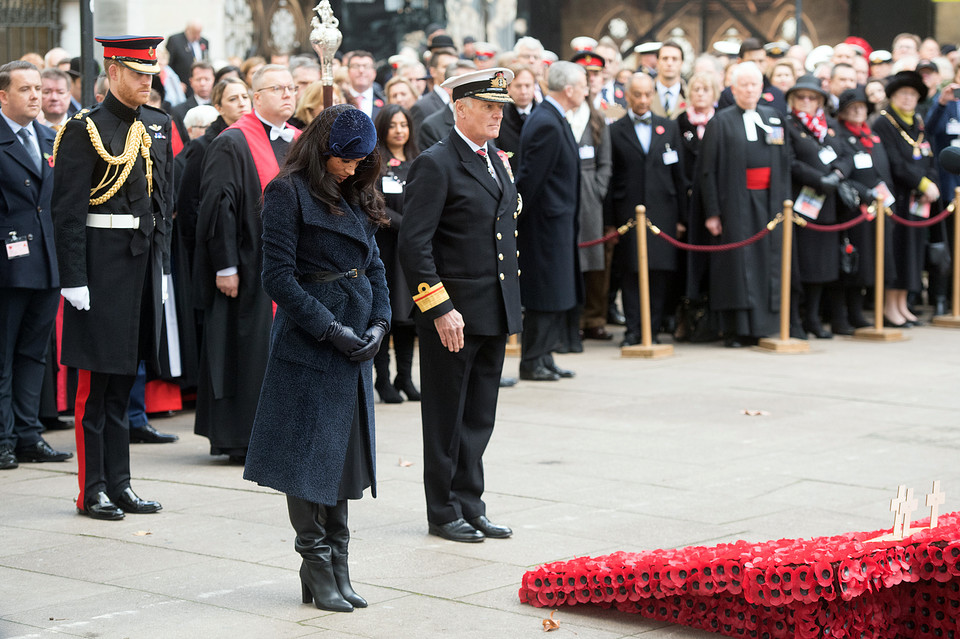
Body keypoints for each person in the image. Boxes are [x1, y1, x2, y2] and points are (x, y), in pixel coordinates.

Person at [244, 104, 387, 613]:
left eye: (360, 161)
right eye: (345, 160)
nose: (353, 168)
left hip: (354, 342)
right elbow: (278, 277)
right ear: (322, 151)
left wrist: (378, 324)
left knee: (344, 462)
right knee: (307, 460)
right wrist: (331, 330)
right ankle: (316, 563)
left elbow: (374, 266)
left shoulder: (355, 190)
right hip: (310, 342)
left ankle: (339, 567)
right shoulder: (286, 191)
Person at [398, 67, 521, 543]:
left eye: (500, 107)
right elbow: (415, 244)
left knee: (479, 417)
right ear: (460, 108)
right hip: (453, 313)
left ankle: (472, 503)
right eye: (487, 106)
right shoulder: (437, 162)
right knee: (446, 417)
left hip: (492, 307)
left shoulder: (497, 159)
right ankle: (443, 509)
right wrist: (439, 307)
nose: (496, 114)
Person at [52, 36, 173, 519]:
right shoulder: (84, 129)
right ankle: (92, 488)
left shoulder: (157, 125)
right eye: (138, 73)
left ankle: (121, 483)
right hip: (100, 267)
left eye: (151, 74)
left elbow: (164, 206)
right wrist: (73, 278)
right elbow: (66, 213)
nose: (147, 81)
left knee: (125, 382)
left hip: (140, 263)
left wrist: (160, 269)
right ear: (113, 71)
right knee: (94, 389)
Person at [193, 65, 300, 463]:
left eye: (292, 88)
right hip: (248, 267)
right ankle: (240, 436)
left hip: (289, 268)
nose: (288, 95)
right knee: (247, 351)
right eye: (278, 89)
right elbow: (218, 206)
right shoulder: (233, 142)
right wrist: (225, 266)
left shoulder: (297, 139)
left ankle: (281, 431)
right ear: (257, 97)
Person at [0, 61, 73, 470]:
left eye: (38, 88)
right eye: (25, 89)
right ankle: (3, 438)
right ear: (3, 96)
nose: (35, 96)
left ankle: (28, 435)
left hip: (47, 263)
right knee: (4, 357)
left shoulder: (51, 139)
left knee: (34, 354)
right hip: (8, 265)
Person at [697, 62, 792, 347]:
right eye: (744, 85)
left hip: (769, 201)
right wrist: (713, 212)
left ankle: (764, 325)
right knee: (739, 263)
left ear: (762, 88)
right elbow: (707, 171)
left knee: (766, 262)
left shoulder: (773, 118)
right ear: (733, 89)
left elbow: (784, 162)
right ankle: (737, 329)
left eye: (755, 85)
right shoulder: (720, 121)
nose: (750, 90)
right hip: (736, 202)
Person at [606, 73, 688, 346]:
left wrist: (681, 218)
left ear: (653, 95)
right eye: (636, 95)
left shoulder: (669, 127)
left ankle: (651, 329)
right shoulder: (614, 131)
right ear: (627, 96)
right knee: (630, 273)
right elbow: (611, 177)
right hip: (628, 214)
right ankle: (633, 331)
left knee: (659, 273)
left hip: (663, 213)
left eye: (646, 94)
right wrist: (610, 222)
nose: (642, 100)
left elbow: (679, 175)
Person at [516, 61, 585, 380]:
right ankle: (532, 360)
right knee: (545, 293)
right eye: (583, 84)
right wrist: (519, 218)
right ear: (568, 89)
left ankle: (544, 355)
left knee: (556, 292)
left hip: (556, 222)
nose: (586, 89)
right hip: (544, 225)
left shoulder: (553, 116)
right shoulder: (546, 121)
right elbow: (531, 179)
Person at [784, 75, 853, 338]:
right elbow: (790, 161)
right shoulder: (788, 125)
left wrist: (836, 175)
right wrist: (818, 179)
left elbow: (846, 156)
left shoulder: (829, 126)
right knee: (801, 265)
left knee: (823, 266)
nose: (806, 102)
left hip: (829, 206)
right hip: (802, 205)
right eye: (801, 97)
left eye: (812, 97)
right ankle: (795, 320)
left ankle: (813, 318)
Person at [873, 71, 939, 327]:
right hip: (897, 198)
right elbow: (895, 162)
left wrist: (930, 181)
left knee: (912, 253)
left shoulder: (918, 122)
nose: (908, 99)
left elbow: (929, 155)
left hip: (918, 201)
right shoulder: (883, 122)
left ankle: (903, 304)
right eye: (903, 94)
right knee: (897, 252)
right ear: (893, 96)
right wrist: (920, 183)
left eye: (913, 94)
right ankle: (890, 307)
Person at [834, 87, 896, 328]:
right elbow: (842, 173)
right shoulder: (839, 135)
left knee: (869, 263)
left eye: (862, 106)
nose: (858, 111)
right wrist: (864, 194)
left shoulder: (871, 136)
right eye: (853, 107)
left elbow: (883, 170)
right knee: (851, 263)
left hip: (877, 209)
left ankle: (858, 312)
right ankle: (841, 316)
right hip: (853, 209)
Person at [372, 104, 420, 403]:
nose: (399, 130)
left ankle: (405, 377)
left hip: (412, 251)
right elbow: (374, 205)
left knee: (410, 317)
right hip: (387, 248)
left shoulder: (418, 160)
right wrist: (408, 225)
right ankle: (383, 379)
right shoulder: (375, 162)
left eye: (404, 124)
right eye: (393, 125)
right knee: (387, 315)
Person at [568, 53, 614, 344]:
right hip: (566, 192)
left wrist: (597, 189)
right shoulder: (563, 114)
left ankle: (594, 317)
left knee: (595, 259)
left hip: (590, 197)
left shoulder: (599, 117)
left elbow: (606, 162)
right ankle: (572, 318)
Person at [418, 61, 475, 150]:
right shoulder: (432, 126)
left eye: (476, 84)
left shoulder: (484, 120)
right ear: (448, 88)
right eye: (465, 84)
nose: (473, 90)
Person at [495, 64, 536, 173]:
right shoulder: (499, 117)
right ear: (508, 88)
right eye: (518, 86)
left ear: (534, 87)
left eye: (527, 86)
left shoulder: (544, 116)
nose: (523, 91)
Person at [410, 47, 459, 127]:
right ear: (432, 71)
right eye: (446, 67)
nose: (452, 71)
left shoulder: (467, 101)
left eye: (455, 67)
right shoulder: (421, 107)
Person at [166, 22, 209, 94]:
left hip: (199, 84)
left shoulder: (204, 42)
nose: (197, 37)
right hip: (183, 84)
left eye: (199, 33)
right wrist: (177, 83)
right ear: (188, 30)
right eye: (194, 33)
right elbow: (169, 64)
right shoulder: (175, 41)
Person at [651, 41, 687, 119]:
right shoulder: (645, 94)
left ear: (681, 63)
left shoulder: (690, 96)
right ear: (657, 62)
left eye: (674, 59)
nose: (669, 63)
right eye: (665, 58)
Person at [345, 51, 384, 120]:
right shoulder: (340, 100)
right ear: (348, 72)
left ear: (374, 73)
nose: (361, 70)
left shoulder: (384, 102)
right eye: (356, 66)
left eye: (366, 66)